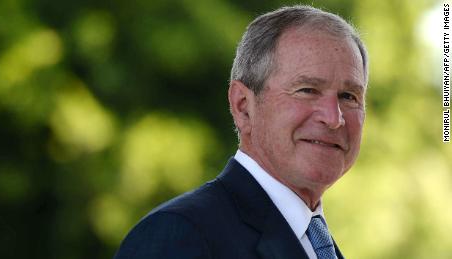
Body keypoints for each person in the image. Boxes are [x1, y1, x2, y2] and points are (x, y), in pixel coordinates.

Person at [114, 5, 368, 259]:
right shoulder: (178, 236)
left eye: (349, 96)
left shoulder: (319, 245)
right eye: (307, 90)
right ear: (243, 107)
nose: (334, 118)